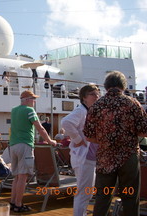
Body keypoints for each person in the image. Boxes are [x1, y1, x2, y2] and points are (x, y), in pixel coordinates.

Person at [84, 71, 147, 216]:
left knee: (103, 197)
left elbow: (89, 136)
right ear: (123, 86)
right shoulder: (132, 103)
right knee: (130, 197)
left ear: (106, 86)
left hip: (105, 158)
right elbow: (144, 132)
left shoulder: (96, 106)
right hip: (128, 157)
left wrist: (106, 141)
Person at [10, 90, 56, 212]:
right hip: (24, 145)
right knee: (23, 176)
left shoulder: (14, 110)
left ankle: (13, 202)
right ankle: (18, 205)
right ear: (26, 100)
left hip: (13, 146)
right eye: (33, 98)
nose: (34, 101)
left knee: (16, 177)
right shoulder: (29, 110)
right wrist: (50, 141)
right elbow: (40, 128)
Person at [61, 84, 100, 216]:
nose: (97, 96)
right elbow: (65, 122)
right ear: (84, 97)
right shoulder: (81, 111)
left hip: (90, 158)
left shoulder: (89, 111)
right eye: (93, 94)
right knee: (83, 193)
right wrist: (78, 140)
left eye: (97, 93)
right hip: (84, 159)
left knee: (87, 191)